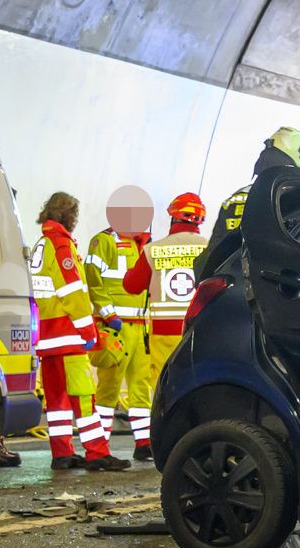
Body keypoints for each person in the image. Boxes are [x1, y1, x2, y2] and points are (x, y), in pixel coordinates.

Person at [31, 193, 122, 471]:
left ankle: (62, 453)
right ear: (67, 215)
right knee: (84, 396)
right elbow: (72, 293)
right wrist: (88, 330)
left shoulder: (41, 245)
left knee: (57, 400)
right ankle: (97, 452)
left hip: (47, 337)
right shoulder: (61, 246)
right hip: (68, 336)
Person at [124, 191, 209, 443]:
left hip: (164, 333)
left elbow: (131, 285)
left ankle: (167, 439)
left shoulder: (153, 250)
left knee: (165, 387)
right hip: (199, 329)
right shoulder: (208, 246)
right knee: (200, 383)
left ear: (172, 216)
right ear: (199, 219)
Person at [83, 189, 156, 462]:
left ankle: (144, 443)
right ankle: (100, 446)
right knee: (109, 388)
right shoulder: (103, 241)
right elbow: (93, 279)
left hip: (140, 328)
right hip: (115, 327)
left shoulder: (145, 245)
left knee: (140, 388)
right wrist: (107, 312)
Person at [199, 124, 300, 275]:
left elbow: (214, 249)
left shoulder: (235, 199)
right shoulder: (290, 198)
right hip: (267, 283)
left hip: (228, 282)